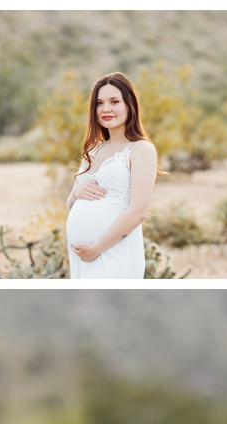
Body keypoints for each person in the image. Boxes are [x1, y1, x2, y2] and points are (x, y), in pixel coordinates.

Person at [65, 72, 157, 279]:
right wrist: (77, 191)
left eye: (114, 101)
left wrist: (97, 248)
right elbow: (71, 204)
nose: (106, 109)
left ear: (129, 105)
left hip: (113, 253)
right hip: (82, 256)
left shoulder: (141, 149)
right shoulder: (93, 150)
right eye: (99, 103)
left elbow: (139, 211)